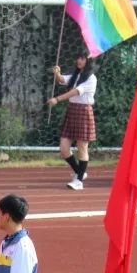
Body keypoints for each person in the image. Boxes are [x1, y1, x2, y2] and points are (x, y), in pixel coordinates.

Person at [48, 53, 97, 191]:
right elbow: (62, 79)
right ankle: (80, 172)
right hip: (72, 111)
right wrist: (57, 73)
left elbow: (75, 92)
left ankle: (79, 181)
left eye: (82, 58)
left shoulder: (91, 78)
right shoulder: (76, 76)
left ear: (88, 61)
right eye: (78, 58)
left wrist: (57, 99)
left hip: (84, 112)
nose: (79, 60)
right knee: (64, 148)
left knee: (82, 147)